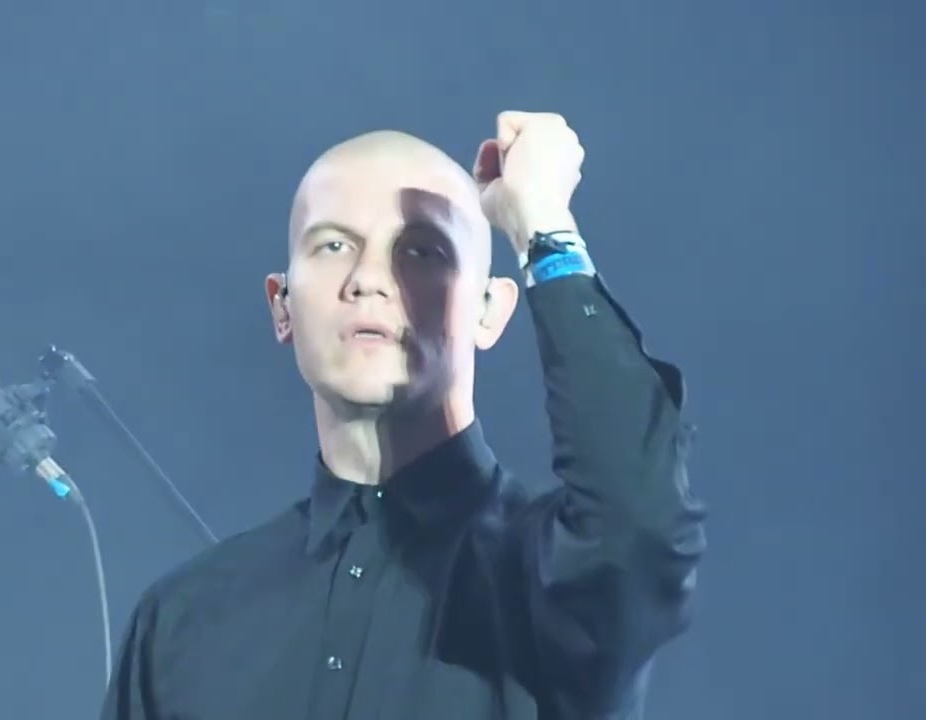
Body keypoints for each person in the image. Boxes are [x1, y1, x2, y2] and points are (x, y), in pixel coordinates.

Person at [100, 111, 707, 719]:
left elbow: (641, 517)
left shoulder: (550, 582)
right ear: (282, 307)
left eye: (421, 250)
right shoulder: (182, 621)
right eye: (334, 245)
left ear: (489, 310)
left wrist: (543, 224)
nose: (368, 279)